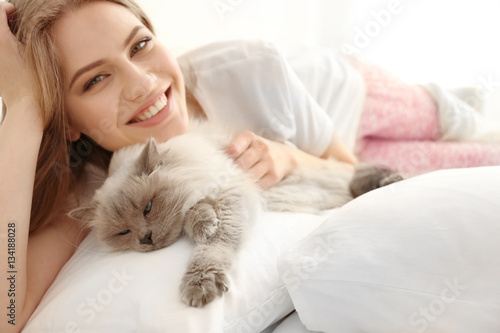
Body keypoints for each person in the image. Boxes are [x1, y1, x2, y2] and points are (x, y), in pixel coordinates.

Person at [1, 0, 499, 331]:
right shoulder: (90, 189)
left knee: (447, 120)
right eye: (95, 81)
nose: (141, 84)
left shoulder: (245, 70)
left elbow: (348, 167)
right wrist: (24, 105)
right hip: (329, 149)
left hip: (335, 96)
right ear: (65, 122)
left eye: (140, 45)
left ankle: (449, 103)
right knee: (472, 167)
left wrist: (286, 155)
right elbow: (7, 309)